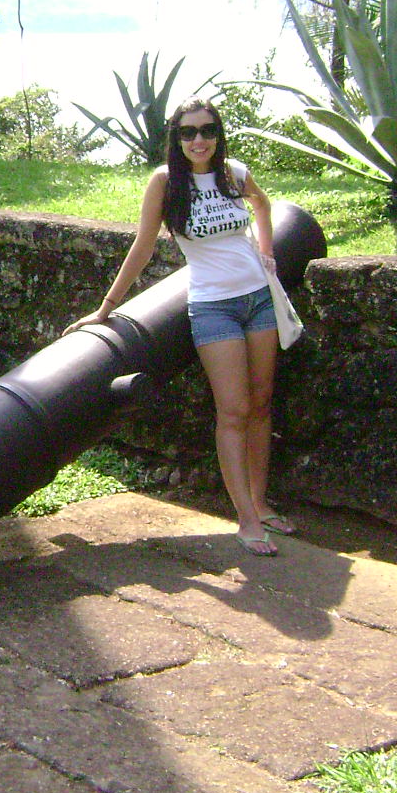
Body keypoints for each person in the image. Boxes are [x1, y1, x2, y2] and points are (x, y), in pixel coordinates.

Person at [64, 97, 294, 555]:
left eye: (207, 130)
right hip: (214, 307)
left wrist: (266, 255)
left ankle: (261, 502)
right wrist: (106, 308)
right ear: (176, 138)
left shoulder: (235, 174)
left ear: (218, 133)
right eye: (188, 132)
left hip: (257, 300)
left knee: (262, 404)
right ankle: (246, 518)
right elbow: (143, 246)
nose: (199, 140)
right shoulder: (167, 183)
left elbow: (264, 208)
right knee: (233, 409)